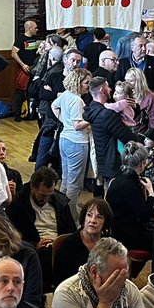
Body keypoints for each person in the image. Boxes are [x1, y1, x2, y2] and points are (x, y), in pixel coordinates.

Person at [105, 142, 154, 255]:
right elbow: (145, 216)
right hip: (126, 236)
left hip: (118, 229)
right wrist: (151, 193)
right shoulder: (130, 186)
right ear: (142, 163)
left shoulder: (117, 179)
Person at [53, 67, 92, 212]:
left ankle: (60, 210)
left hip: (64, 139)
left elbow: (54, 106)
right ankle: (70, 216)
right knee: (74, 184)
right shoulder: (77, 100)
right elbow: (77, 125)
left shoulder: (65, 95)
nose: (88, 86)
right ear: (78, 82)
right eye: (86, 83)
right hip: (77, 142)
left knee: (66, 179)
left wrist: (64, 121)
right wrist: (92, 118)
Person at [53, 199, 112, 287]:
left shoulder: (110, 244)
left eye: (99, 217)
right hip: (74, 292)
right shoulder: (69, 244)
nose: (92, 220)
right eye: (89, 215)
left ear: (105, 222)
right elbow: (60, 281)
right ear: (83, 218)